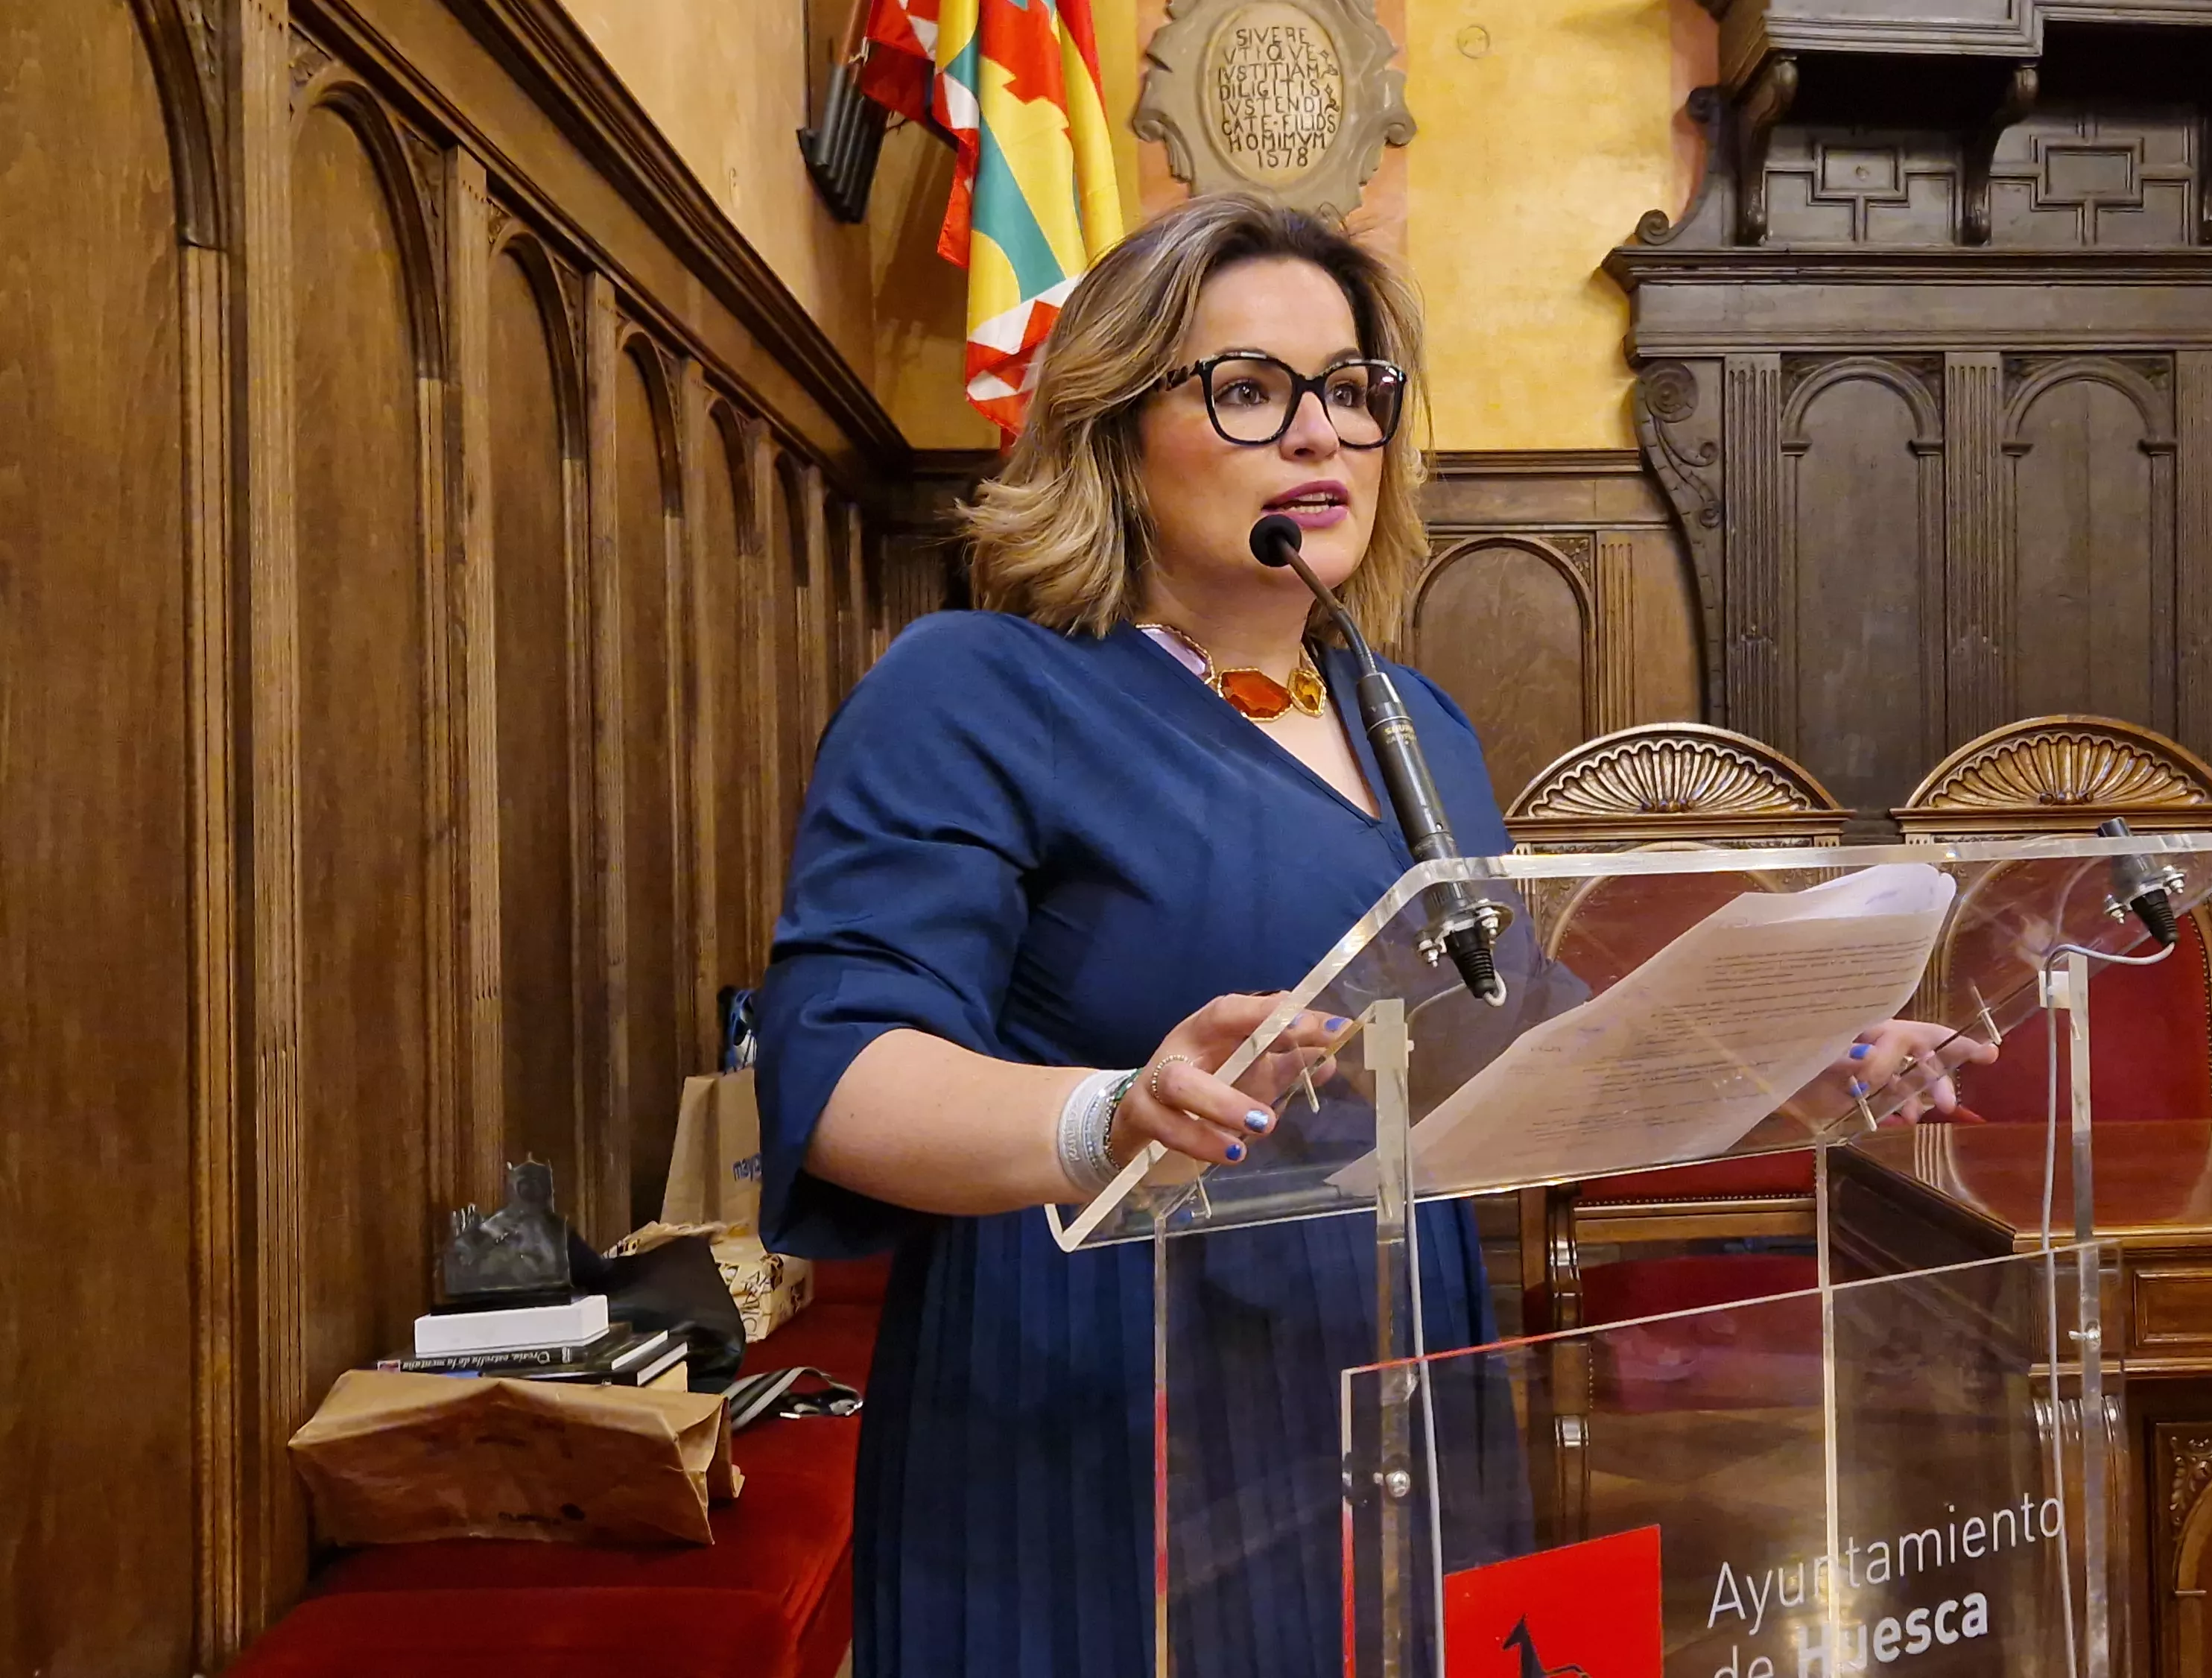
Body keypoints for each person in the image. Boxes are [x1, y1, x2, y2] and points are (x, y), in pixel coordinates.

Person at [755, 194, 1976, 1678]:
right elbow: (839, 1081)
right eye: (1250, 389)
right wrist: (1114, 1116)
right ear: (1113, 430)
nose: (1320, 434)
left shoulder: (1417, 720)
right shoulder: (975, 688)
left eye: (1348, 390)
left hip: (1389, 1363)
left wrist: (1794, 1066)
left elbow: (1519, 1040)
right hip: (1094, 1380)